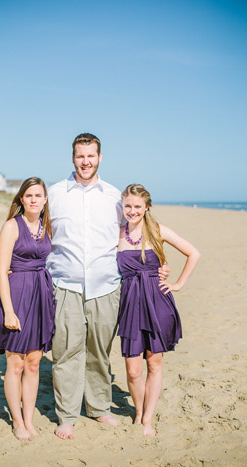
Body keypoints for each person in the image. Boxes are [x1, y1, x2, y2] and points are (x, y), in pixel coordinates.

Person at [46, 133, 168, 439]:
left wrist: (158, 267)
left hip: (107, 287)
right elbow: (41, 233)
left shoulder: (115, 196)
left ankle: (99, 408)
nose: (85, 162)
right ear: (72, 158)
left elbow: (138, 231)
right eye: (79, 156)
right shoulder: (55, 193)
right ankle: (67, 415)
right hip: (65, 285)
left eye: (91, 155)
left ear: (100, 157)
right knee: (65, 352)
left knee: (99, 352)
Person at [116, 184, 200, 436]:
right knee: (133, 371)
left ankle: (147, 418)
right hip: (130, 305)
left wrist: (177, 284)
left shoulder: (157, 231)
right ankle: (138, 410)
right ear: (122, 205)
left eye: (137, 206)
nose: (132, 211)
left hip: (157, 302)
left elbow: (193, 253)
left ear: (146, 207)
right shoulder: (117, 234)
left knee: (154, 364)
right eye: (128, 206)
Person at [0, 177, 56, 441]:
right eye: (28, 196)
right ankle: (17, 421)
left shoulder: (46, 226)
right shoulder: (11, 226)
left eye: (38, 195)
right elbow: (0, 271)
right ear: (20, 199)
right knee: (15, 363)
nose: (33, 200)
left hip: (41, 295)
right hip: (16, 296)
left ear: (45, 200)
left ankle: (29, 419)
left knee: (34, 362)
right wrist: (8, 310)